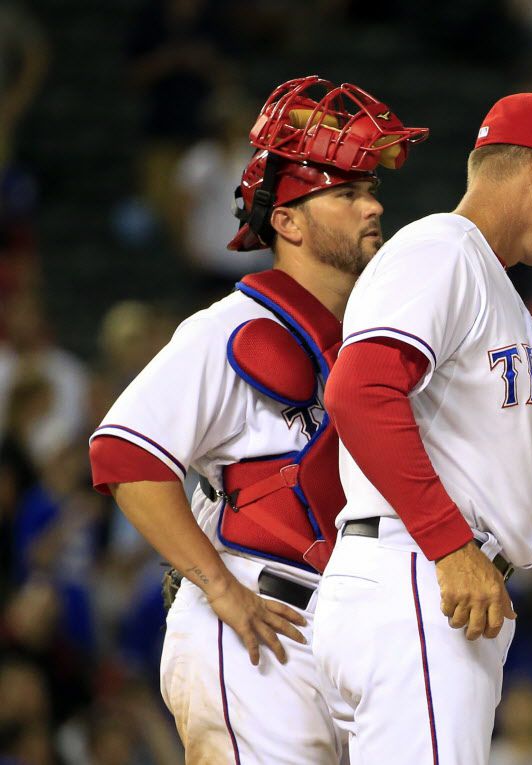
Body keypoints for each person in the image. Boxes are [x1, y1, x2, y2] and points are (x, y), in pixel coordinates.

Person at [87, 75, 427, 762]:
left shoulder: (371, 333)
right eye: (345, 192)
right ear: (288, 220)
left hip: (336, 634)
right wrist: (220, 589)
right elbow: (124, 456)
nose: (371, 207)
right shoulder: (233, 326)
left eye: (370, 190)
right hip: (253, 627)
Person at [311, 92, 532, 764]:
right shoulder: (442, 249)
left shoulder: (492, 286)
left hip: (427, 580)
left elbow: (515, 494)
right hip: (421, 577)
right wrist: (451, 545)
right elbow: (360, 390)